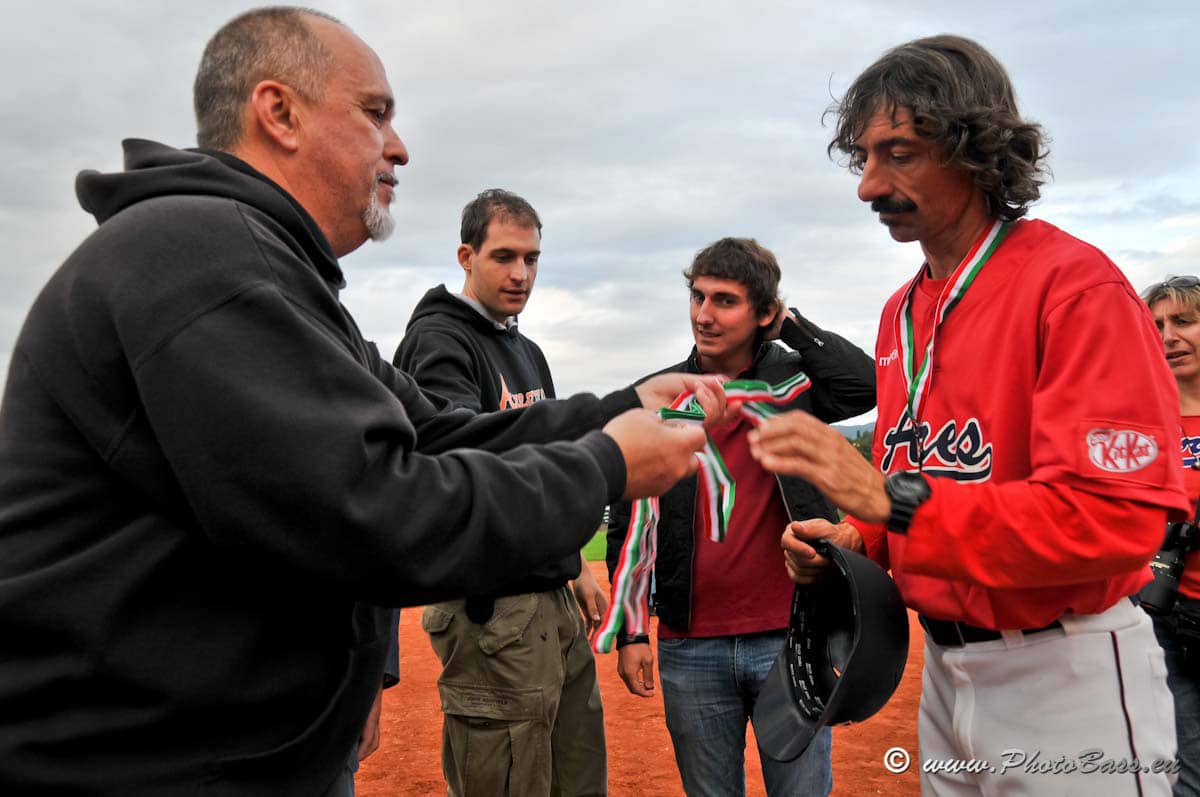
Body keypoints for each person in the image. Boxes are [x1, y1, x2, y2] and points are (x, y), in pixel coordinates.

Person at [0, 8, 725, 795]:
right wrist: (607, 464)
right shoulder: (197, 257)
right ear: (279, 112)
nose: (399, 146)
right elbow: (376, 509)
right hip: (144, 769)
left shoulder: (271, 272)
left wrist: (621, 405)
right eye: (375, 113)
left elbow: (435, 433)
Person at [748, 35, 1188, 795]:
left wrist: (890, 502)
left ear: (977, 151)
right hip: (945, 672)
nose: (868, 185)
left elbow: (1115, 519)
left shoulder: (1075, 288)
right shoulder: (900, 311)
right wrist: (859, 538)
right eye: (864, 157)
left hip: (1068, 669)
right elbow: (924, 474)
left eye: (900, 154)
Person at [605, 237, 875, 797]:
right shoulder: (662, 397)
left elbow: (865, 385)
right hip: (690, 645)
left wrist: (791, 327)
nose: (704, 315)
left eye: (725, 301)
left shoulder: (795, 386)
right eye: (698, 297)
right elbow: (630, 522)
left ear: (764, 312)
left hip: (791, 636)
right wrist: (632, 631)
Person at [393, 189, 609, 796]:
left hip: (550, 597)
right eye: (504, 256)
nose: (521, 274)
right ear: (467, 256)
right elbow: (463, 460)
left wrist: (574, 564)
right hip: (494, 610)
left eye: (532, 259)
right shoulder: (440, 342)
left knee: (579, 781)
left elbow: (547, 461)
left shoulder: (525, 349)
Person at [1143, 275, 1200, 796]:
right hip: (1163, 614)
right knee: (1184, 767)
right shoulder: (1141, 419)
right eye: (1158, 324)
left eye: (1184, 321)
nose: (1168, 336)